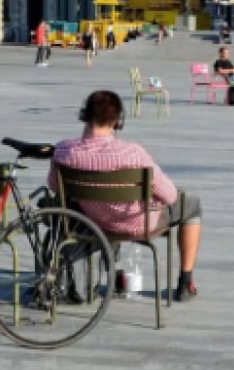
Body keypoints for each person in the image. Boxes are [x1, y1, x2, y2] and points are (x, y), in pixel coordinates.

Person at [50, 90, 203, 302]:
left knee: (102, 206)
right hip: (139, 222)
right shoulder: (132, 153)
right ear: (117, 121)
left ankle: (114, 271)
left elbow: (54, 185)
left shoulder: (64, 151)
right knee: (191, 204)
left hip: (94, 221)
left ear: (85, 116)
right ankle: (186, 283)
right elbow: (169, 196)